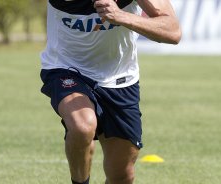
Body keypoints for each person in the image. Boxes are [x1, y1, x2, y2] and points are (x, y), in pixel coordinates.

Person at [40, 0, 181, 183]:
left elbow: (173, 31)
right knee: (83, 125)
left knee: (122, 176)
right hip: (66, 67)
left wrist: (121, 16)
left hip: (121, 79)